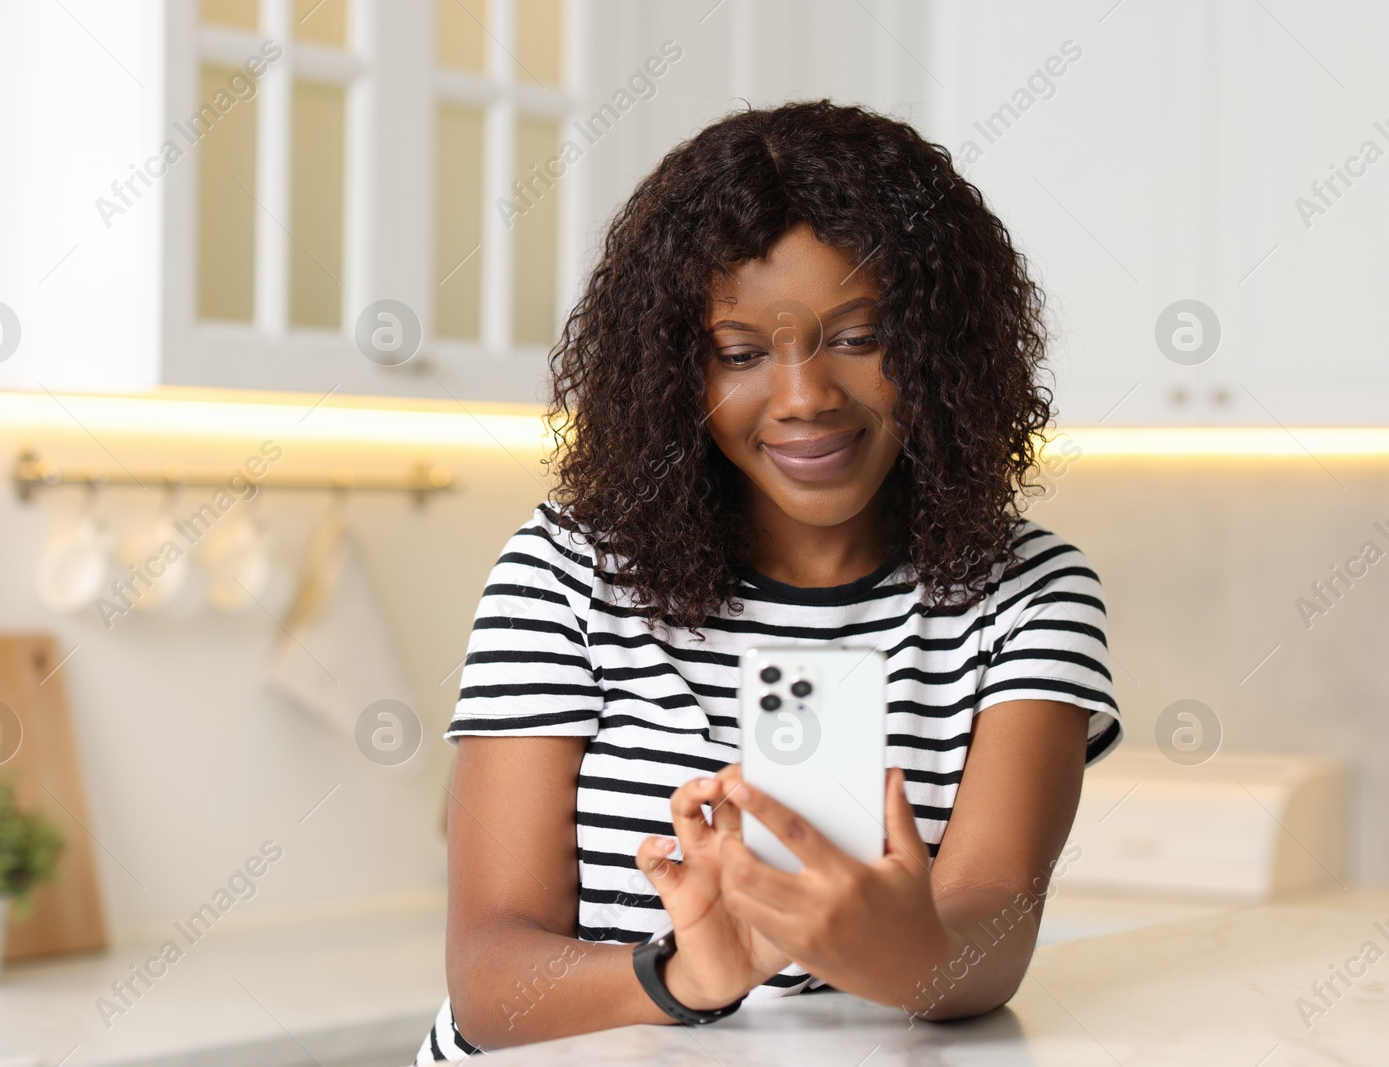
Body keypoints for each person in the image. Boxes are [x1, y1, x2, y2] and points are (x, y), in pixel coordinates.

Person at [415, 98, 1122, 1063]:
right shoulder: (567, 573)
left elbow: (990, 934)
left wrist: (914, 951)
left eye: (861, 336)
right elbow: (492, 982)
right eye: (742, 354)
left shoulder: (1030, 596)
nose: (804, 399)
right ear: (676, 374)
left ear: (944, 339)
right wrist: (688, 974)